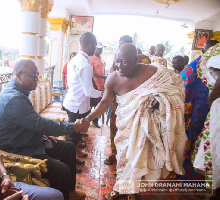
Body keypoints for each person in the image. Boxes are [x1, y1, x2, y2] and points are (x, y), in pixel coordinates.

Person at [84, 44, 187, 199]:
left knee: (139, 159)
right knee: (124, 158)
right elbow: (104, 103)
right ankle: (123, 188)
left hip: (146, 128)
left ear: (136, 59)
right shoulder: (113, 79)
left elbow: (175, 91)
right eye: (117, 61)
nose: (119, 66)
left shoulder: (155, 72)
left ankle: (129, 191)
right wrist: (87, 119)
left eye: (124, 62)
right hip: (126, 127)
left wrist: (161, 102)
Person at [0, 59, 88, 200]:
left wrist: (42, 133)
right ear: (19, 75)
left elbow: (30, 122)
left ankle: (69, 193)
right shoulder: (13, 99)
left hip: (28, 139)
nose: (37, 78)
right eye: (33, 75)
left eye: (37, 74)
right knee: (62, 170)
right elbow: (41, 123)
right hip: (18, 148)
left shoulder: (20, 92)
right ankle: (62, 197)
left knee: (68, 147)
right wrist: (74, 126)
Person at [178, 40, 219, 182]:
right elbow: (180, 86)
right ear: (203, 51)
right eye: (207, 50)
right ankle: (187, 176)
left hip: (212, 116)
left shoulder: (215, 67)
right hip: (192, 115)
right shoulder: (192, 68)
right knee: (189, 146)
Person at [62, 32, 102, 153]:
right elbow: (89, 92)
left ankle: (74, 154)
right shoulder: (85, 65)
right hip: (78, 105)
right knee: (72, 136)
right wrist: (102, 93)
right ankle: (70, 161)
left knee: (75, 133)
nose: (95, 49)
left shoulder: (74, 60)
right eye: (95, 45)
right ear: (89, 45)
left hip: (71, 102)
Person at [190, 42, 220, 194]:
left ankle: (212, 192)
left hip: (216, 112)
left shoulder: (210, 57)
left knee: (214, 151)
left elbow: (213, 95)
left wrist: (211, 102)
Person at [104, 35, 133, 165]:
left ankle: (129, 157)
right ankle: (115, 153)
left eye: (124, 45)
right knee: (114, 127)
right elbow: (113, 75)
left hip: (133, 104)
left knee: (131, 132)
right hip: (117, 100)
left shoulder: (140, 63)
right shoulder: (118, 58)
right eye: (119, 45)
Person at [90, 42, 106, 128]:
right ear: (95, 49)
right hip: (93, 85)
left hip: (101, 85)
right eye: (99, 49)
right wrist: (103, 76)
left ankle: (95, 121)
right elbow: (92, 73)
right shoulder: (91, 58)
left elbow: (102, 70)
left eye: (102, 49)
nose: (100, 51)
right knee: (90, 104)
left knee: (98, 105)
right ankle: (87, 121)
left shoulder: (101, 58)